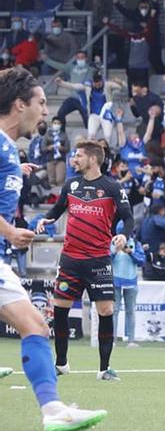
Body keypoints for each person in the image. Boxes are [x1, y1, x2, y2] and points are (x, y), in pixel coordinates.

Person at [0, 68, 108, 431]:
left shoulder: (9, 150)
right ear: (19, 105)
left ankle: (53, 409)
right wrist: (9, 230)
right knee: (35, 325)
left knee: (35, 326)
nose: (46, 112)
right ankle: (53, 408)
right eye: (41, 103)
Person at [35, 140, 133, 382]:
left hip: (99, 260)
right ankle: (61, 364)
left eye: (78, 156)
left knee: (106, 310)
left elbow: (128, 218)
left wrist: (124, 234)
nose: (74, 160)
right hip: (70, 259)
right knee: (60, 309)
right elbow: (57, 209)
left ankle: (104, 369)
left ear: (92, 159)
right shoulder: (71, 184)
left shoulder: (112, 187)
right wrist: (46, 220)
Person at [111, 235, 144, 347]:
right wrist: (115, 250)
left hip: (131, 280)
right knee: (114, 311)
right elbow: (106, 258)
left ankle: (131, 340)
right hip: (115, 281)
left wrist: (131, 253)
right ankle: (112, 340)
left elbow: (142, 261)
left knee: (130, 311)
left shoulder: (135, 242)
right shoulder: (112, 242)